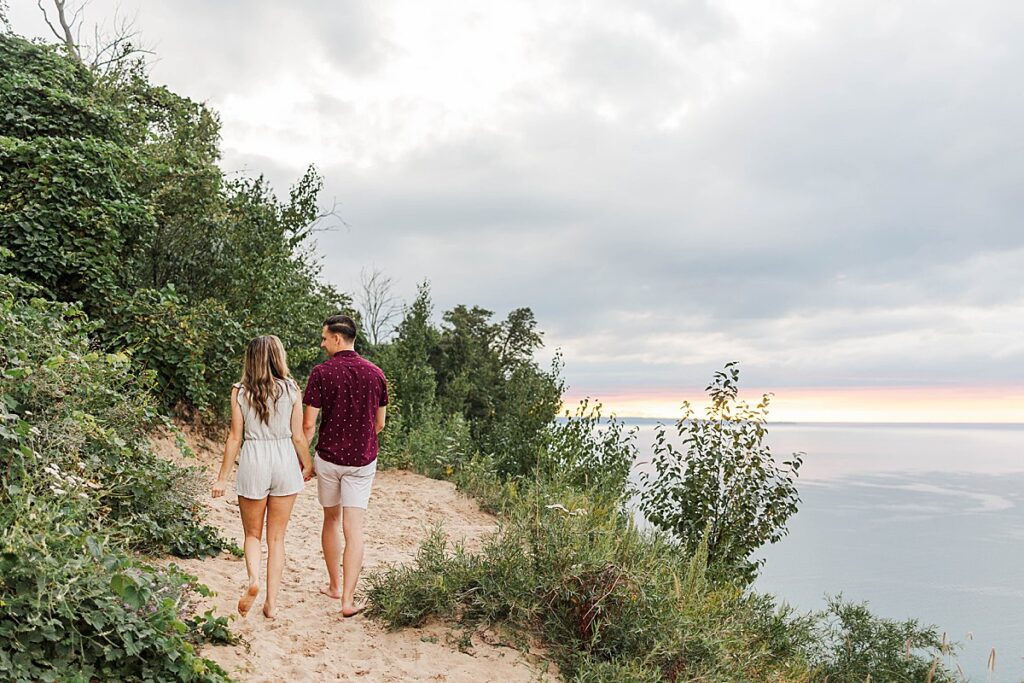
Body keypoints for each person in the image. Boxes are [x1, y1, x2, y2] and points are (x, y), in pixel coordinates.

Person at [212, 335, 314, 619]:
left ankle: (253, 579)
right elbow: (297, 435)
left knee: (253, 535)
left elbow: (235, 437)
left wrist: (221, 478)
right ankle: (271, 603)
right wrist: (307, 464)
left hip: (254, 459)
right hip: (284, 461)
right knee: (277, 538)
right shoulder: (292, 389)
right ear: (278, 357)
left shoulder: (240, 391)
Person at [302, 315, 388, 618]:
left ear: (338, 338)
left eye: (325, 337)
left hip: (328, 459)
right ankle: (348, 600)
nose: (322, 343)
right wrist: (358, 440)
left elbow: (309, 424)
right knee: (355, 529)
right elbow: (379, 423)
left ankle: (334, 585)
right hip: (362, 462)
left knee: (331, 520)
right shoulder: (376, 374)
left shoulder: (321, 373)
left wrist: (305, 460)